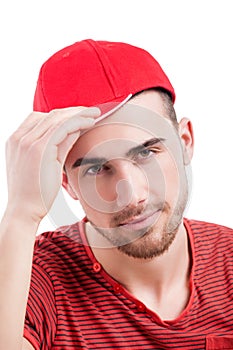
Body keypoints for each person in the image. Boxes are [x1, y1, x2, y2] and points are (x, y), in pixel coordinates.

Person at [0, 39, 232, 350]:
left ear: (185, 142)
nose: (131, 196)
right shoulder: (35, 279)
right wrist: (20, 212)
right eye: (96, 169)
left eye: (147, 152)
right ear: (65, 182)